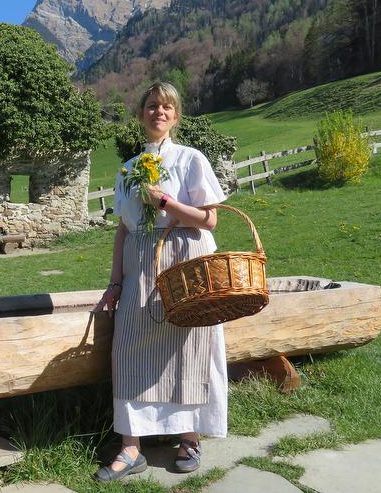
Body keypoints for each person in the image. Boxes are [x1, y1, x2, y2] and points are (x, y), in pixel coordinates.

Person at [93, 82, 228, 481]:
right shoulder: (129, 168)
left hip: (185, 259)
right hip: (139, 265)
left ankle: (189, 437)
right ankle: (130, 447)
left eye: (167, 107)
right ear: (141, 114)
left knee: (189, 344)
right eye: (152, 106)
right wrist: (115, 283)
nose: (159, 112)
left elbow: (210, 219)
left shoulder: (190, 159)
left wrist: (164, 203)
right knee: (129, 346)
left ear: (176, 115)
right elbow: (122, 228)